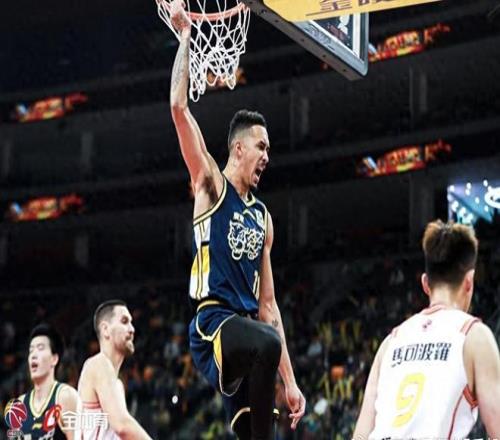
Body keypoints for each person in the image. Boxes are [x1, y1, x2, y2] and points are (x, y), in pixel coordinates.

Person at [169, 2, 305, 438]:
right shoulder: (210, 184)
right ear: (238, 148)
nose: (267, 156)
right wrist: (185, 35)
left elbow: (269, 306)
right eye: (261, 147)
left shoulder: (263, 217)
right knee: (265, 342)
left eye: (269, 150)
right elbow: (178, 108)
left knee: (254, 430)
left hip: (250, 338)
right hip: (214, 325)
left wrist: (291, 381)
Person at [353, 220, 500, 439]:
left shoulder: (390, 342)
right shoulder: (474, 336)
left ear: (425, 283)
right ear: (469, 282)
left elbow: (360, 436)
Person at [76, 300, 153, 440]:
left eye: (131, 323)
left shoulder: (117, 384)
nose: (132, 329)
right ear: (105, 329)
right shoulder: (98, 364)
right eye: (124, 321)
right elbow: (122, 426)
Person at [17, 323, 79, 439]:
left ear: (54, 359)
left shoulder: (65, 397)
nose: (33, 355)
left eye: (40, 349)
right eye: (31, 351)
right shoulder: (21, 404)